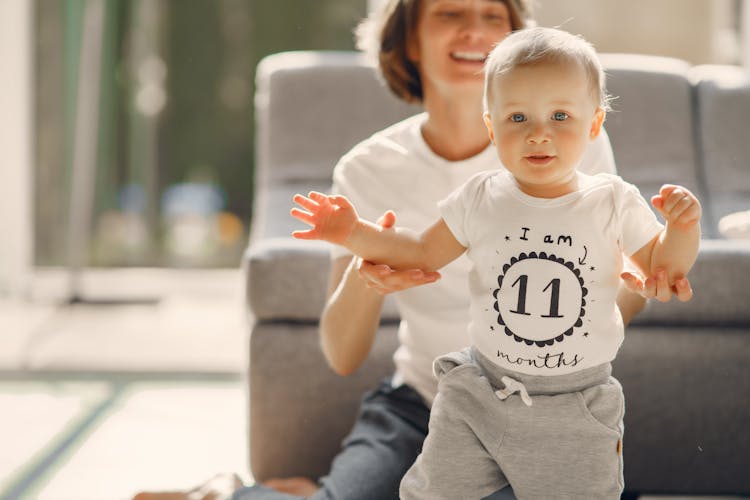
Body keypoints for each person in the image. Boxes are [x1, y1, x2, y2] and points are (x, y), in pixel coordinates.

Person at [134, 1, 693, 499]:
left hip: (545, 408)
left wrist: (641, 279)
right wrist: (363, 268)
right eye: (450, 13)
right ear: (406, 39)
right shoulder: (370, 169)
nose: (474, 30)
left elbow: (628, 282)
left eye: (492, 16)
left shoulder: (573, 144)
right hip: (422, 399)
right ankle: (228, 493)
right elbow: (343, 353)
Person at [290, 27, 702, 499]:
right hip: (479, 391)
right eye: (518, 117)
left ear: (594, 125)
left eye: (561, 116)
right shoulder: (479, 196)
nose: (539, 133)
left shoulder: (611, 200)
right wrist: (355, 234)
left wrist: (681, 231)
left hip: (573, 401)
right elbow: (420, 251)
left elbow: (658, 265)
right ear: (493, 127)